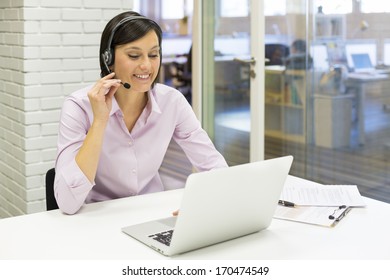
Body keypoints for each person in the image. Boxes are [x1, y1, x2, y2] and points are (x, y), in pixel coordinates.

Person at [54, 11, 228, 215]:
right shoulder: (78, 106)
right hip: (96, 217)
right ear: (108, 59)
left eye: (153, 54)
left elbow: (213, 165)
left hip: (151, 213)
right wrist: (100, 121)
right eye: (134, 55)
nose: (146, 65)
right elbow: (67, 203)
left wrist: (208, 201)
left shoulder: (172, 101)